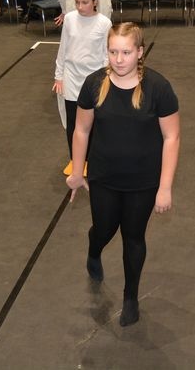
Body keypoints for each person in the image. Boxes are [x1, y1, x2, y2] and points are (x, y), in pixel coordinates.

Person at [66, 22, 180, 327]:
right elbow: (81, 130)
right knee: (104, 229)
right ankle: (94, 249)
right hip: (104, 177)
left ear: (140, 52)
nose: (118, 59)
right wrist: (77, 171)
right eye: (113, 52)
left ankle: (131, 297)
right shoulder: (93, 84)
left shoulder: (158, 88)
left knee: (133, 236)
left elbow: (171, 137)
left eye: (126, 52)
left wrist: (165, 187)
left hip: (143, 181)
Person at [53, 0, 112, 174]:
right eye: (77, 2)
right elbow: (63, 48)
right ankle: (75, 160)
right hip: (71, 77)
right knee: (72, 122)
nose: (80, 6)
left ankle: (91, 159)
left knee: (93, 123)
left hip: (94, 80)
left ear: (95, 2)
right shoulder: (70, 19)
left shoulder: (104, 23)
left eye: (84, 2)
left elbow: (106, 55)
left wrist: (104, 79)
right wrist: (58, 76)